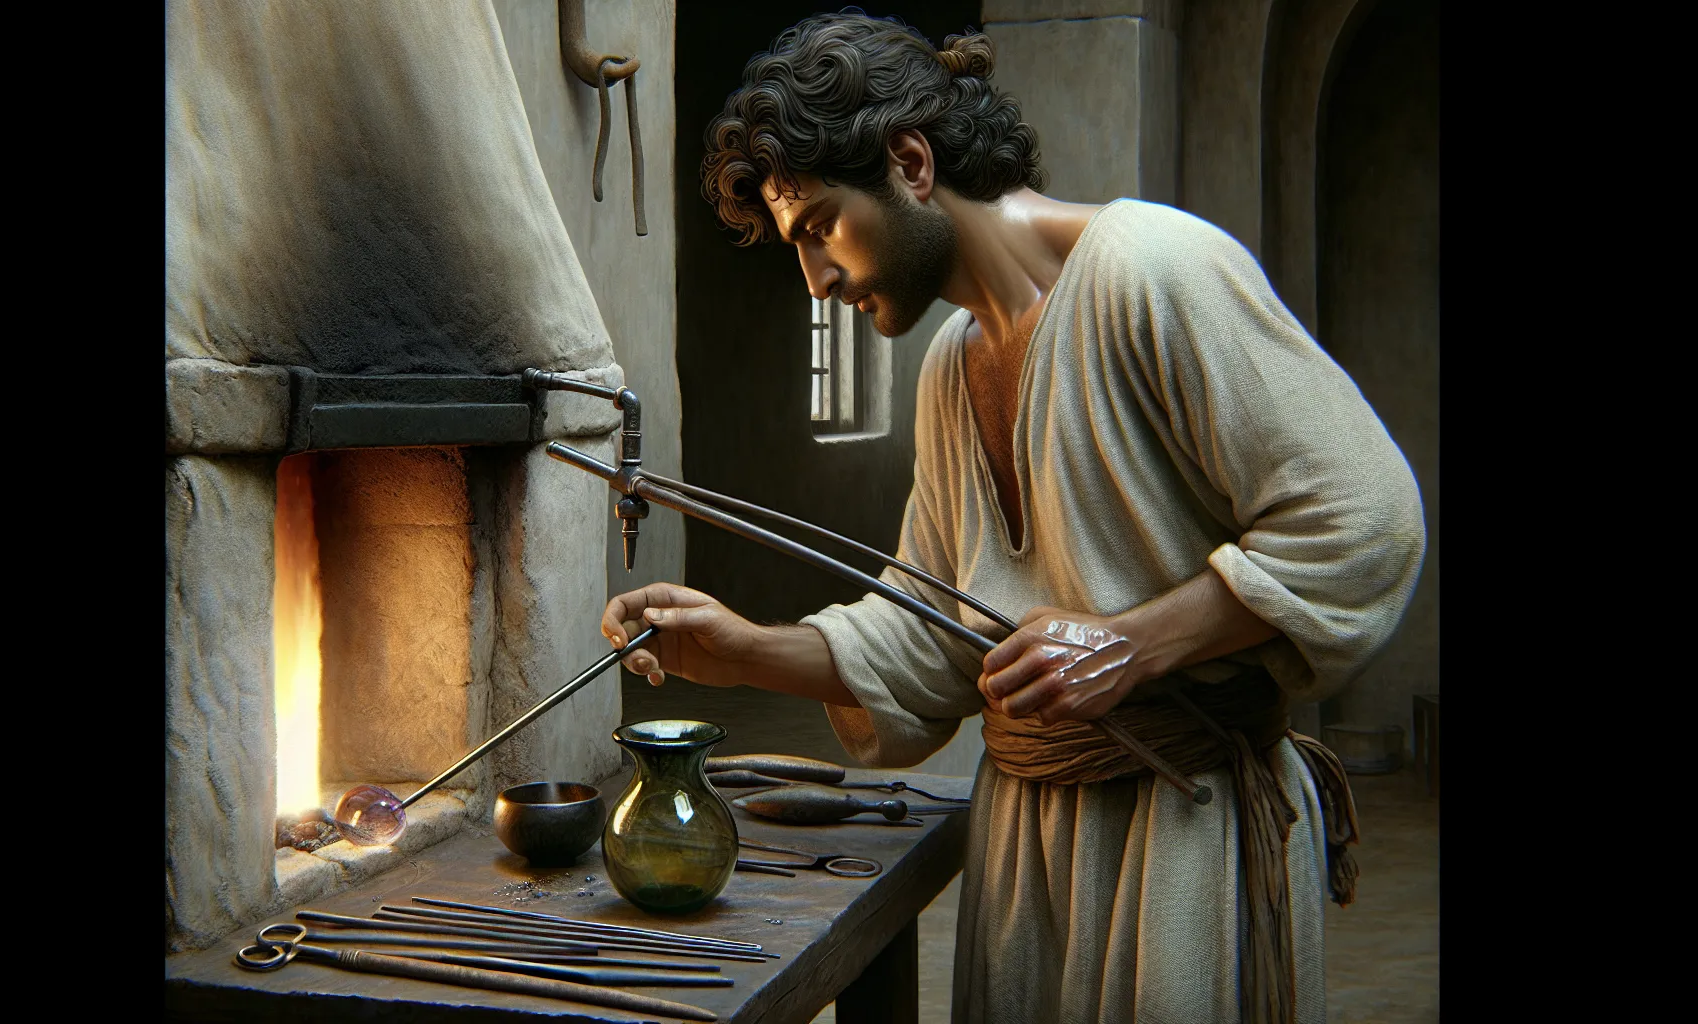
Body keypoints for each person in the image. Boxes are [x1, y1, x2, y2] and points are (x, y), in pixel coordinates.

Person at [600, 11, 1425, 1024]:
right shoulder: (950, 364)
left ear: (908, 161)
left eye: (818, 228)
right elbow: (932, 626)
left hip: (1178, 831)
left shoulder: (1152, 269)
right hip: (1025, 845)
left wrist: (1133, 644)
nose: (814, 279)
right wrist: (742, 652)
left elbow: (1365, 518)